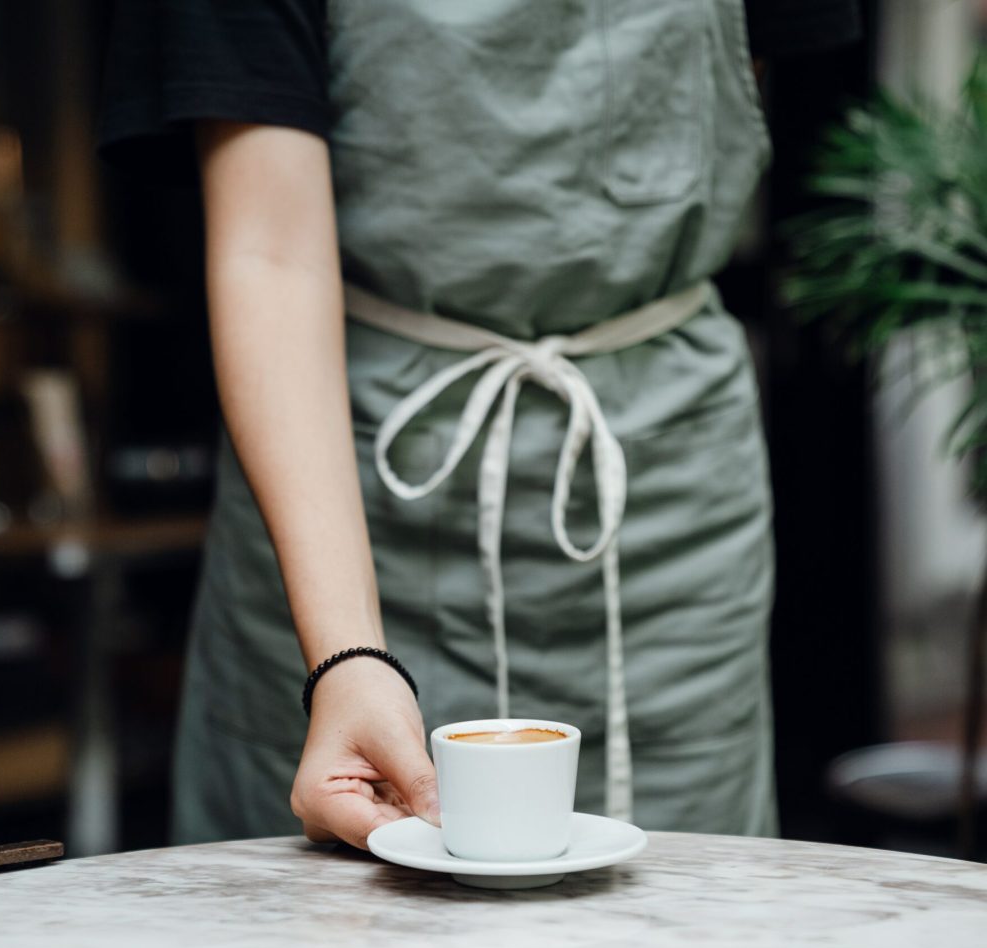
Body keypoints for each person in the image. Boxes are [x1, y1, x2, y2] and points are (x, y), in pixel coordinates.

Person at [98, 0, 861, 849]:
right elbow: (272, 251)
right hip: (354, 487)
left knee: (685, 904)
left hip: (665, 496)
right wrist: (347, 658)